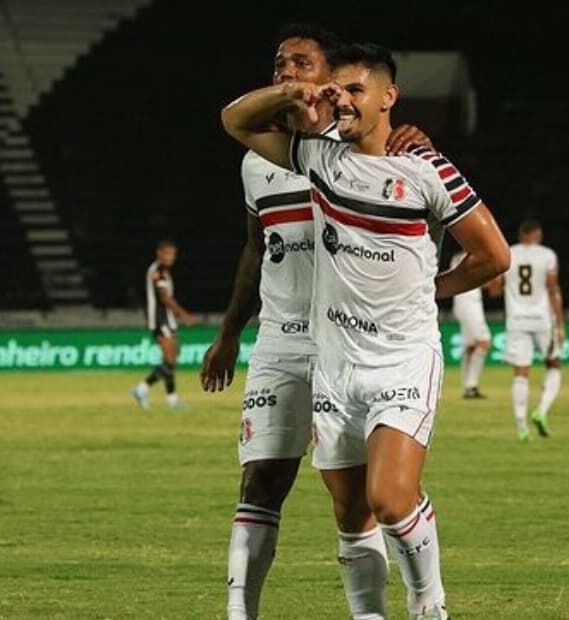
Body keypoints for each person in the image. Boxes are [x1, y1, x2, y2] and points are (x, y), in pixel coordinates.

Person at [221, 43, 510, 619]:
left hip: (401, 357)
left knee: (391, 498)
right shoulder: (317, 160)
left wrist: (433, 288)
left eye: (357, 91)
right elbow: (234, 120)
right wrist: (292, 93)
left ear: (389, 98)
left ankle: (429, 600)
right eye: (340, 90)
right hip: (334, 361)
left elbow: (492, 255)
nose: (346, 101)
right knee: (352, 514)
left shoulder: (427, 168)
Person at [202, 25, 434, 620]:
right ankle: (237, 611)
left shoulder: (359, 147)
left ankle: (379, 610)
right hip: (280, 338)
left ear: (331, 77)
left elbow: (414, 214)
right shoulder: (261, 160)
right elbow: (256, 247)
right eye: (278, 62)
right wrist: (230, 332)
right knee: (261, 482)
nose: (284, 70)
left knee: (353, 503)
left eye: (299, 62)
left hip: (350, 344)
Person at [496, 220, 565, 441]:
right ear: (537, 234)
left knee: (521, 372)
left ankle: (521, 427)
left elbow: (495, 289)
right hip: (542, 319)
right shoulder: (547, 255)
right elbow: (553, 289)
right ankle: (541, 410)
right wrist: (560, 324)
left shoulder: (508, 253)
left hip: (516, 320)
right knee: (553, 364)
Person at [131, 240, 198, 410]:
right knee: (170, 359)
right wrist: (184, 314)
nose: (170, 257)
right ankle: (148, 391)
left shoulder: (164, 272)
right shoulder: (158, 271)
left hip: (168, 320)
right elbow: (164, 298)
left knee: (172, 359)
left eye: (173, 254)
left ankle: (164, 396)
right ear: (159, 253)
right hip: (160, 321)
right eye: (167, 253)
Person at [449, 250, 491, 399]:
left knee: (470, 346)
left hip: (462, 303)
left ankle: (468, 386)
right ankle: (471, 385)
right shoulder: (471, 257)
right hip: (469, 304)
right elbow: (481, 279)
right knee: (483, 341)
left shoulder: (457, 257)